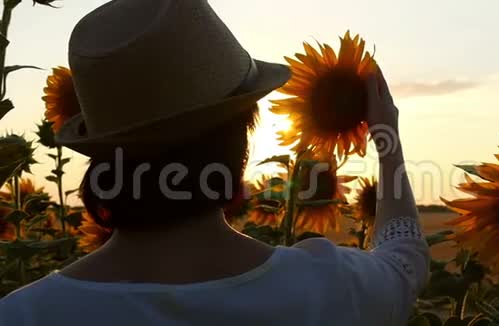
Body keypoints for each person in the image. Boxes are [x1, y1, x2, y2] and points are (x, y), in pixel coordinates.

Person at [0, 0, 429, 325]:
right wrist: (386, 140)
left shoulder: (25, 314)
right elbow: (405, 261)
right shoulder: (323, 289)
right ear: (238, 140)